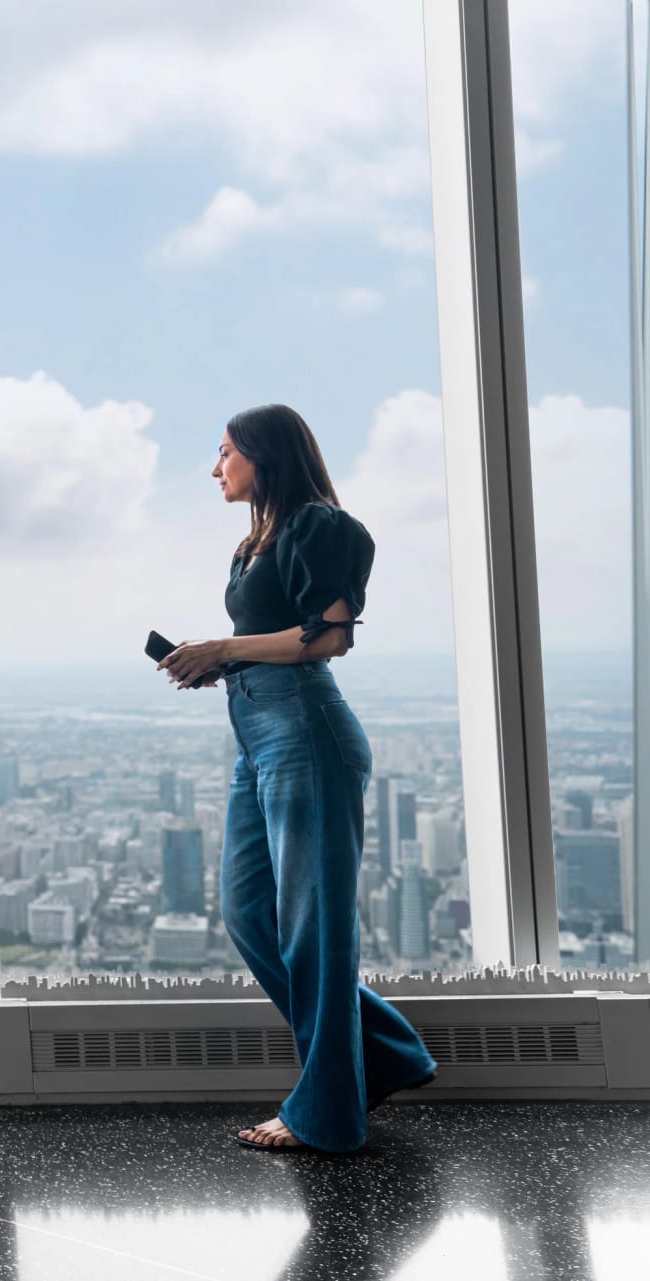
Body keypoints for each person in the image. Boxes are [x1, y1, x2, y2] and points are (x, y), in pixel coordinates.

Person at [155, 403, 438, 1153]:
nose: (215, 468)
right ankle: (386, 1055)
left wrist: (223, 643)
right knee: (250, 913)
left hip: (306, 735)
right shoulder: (254, 542)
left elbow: (332, 635)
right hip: (257, 736)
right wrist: (219, 662)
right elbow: (272, 639)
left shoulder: (319, 525)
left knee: (314, 930)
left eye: (224, 452)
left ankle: (327, 1114)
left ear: (263, 454)